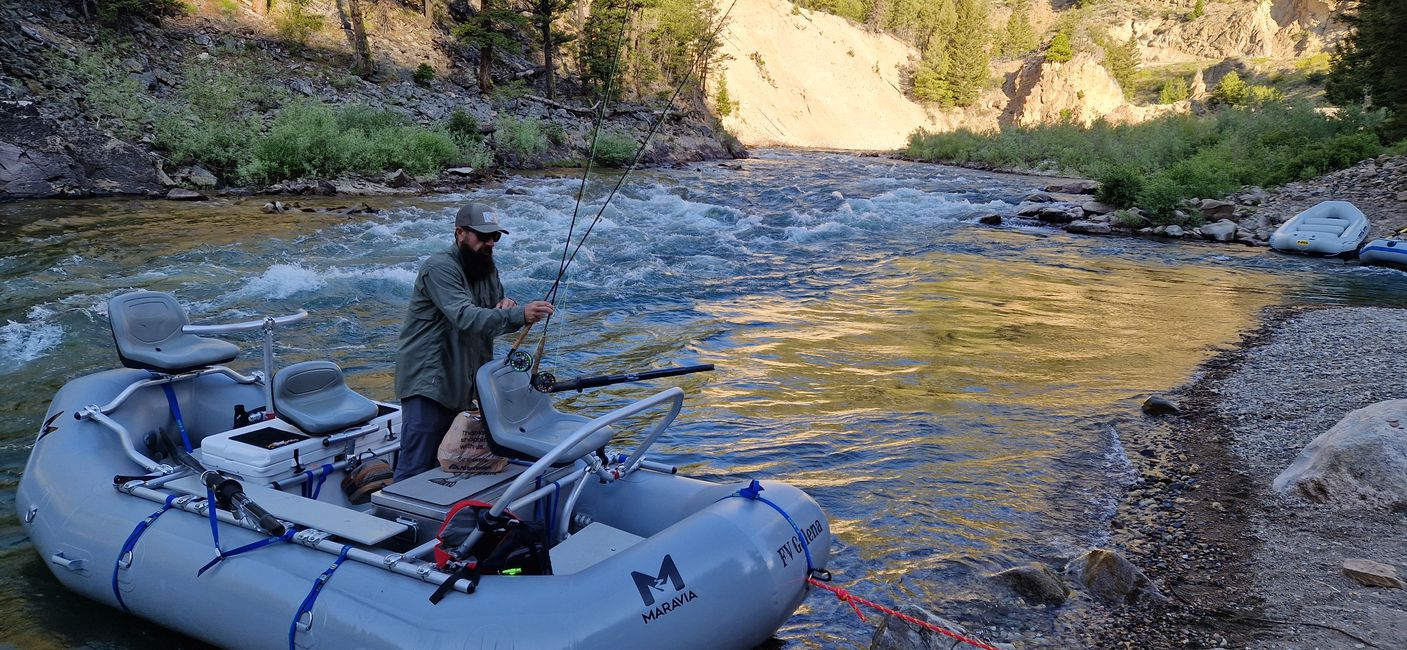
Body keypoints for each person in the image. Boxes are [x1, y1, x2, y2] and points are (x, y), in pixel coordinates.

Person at [393, 203, 553, 482]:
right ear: (460, 233)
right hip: (429, 382)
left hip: (467, 381)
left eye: (496, 237)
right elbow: (466, 317)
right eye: (483, 236)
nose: (490, 242)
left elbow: (493, 315)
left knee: (451, 464)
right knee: (415, 467)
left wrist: (508, 307)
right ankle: (394, 522)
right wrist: (519, 314)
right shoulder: (439, 267)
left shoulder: (487, 267)